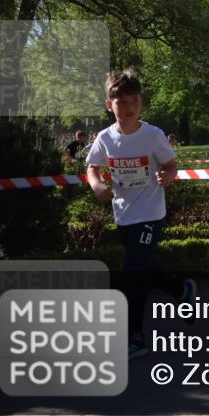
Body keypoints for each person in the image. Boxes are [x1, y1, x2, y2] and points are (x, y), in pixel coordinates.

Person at [85, 69, 195, 359]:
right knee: (146, 268)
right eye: (121, 103)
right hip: (124, 214)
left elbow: (171, 165)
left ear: (141, 104)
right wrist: (96, 185)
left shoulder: (153, 135)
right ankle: (182, 290)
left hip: (150, 213)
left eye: (134, 101)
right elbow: (92, 167)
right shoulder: (105, 138)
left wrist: (168, 177)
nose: (128, 108)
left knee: (132, 272)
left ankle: (135, 336)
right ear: (110, 105)